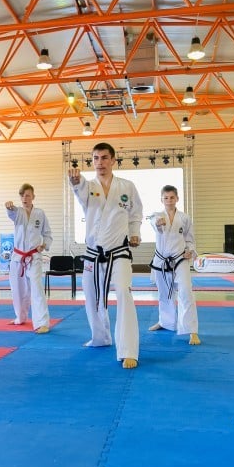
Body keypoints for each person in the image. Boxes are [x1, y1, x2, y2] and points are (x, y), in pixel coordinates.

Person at [69, 142, 143, 369]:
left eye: (104, 158)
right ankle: (101, 337)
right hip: (93, 253)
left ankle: (128, 349)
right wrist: (75, 182)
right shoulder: (88, 185)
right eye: (96, 158)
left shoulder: (126, 186)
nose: (99, 162)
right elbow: (79, 191)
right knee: (91, 297)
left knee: (123, 293)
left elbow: (136, 214)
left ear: (113, 160)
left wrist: (135, 233)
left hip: (119, 252)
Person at [148, 185, 200, 345]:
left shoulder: (185, 218)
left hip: (180, 259)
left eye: (172, 197)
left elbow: (190, 239)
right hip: (161, 261)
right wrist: (158, 223)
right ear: (161, 199)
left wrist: (190, 250)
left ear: (177, 198)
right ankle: (166, 322)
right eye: (166, 198)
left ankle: (191, 330)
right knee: (164, 294)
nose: (169, 200)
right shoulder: (156, 215)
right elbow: (153, 223)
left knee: (185, 292)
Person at [6, 183, 53, 333]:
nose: (24, 198)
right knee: (18, 289)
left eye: (27, 195)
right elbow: (11, 213)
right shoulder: (17, 212)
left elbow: (47, 234)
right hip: (18, 257)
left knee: (37, 287)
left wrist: (44, 245)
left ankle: (42, 322)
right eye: (22, 195)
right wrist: (8, 207)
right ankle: (20, 317)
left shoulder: (40, 213)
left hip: (34, 257)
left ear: (33, 197)